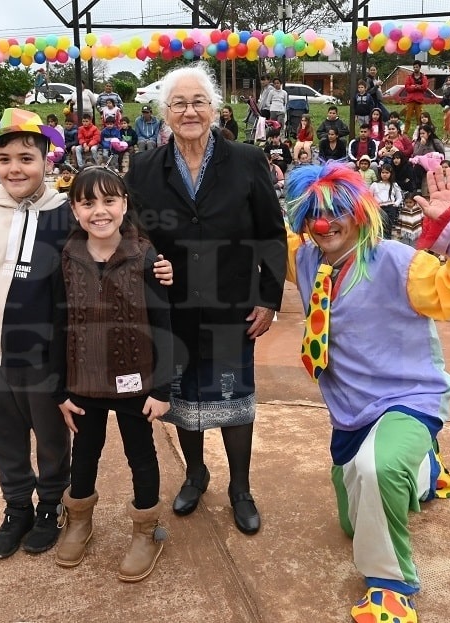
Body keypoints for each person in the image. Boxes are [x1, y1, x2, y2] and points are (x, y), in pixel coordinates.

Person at [0, 107, 172, 559]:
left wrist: (159, 267)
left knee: (55, 443)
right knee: (3, 439)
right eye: (5, 159)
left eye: (26, 158)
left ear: (46, 159)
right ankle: (16, 508)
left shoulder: (66, 213)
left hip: (47, 356)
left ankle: (52, 508)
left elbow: (115, 240)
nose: (15, 168)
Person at [283, 163, 450, 623]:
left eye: (336, 211)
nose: (324, 224)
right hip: (350, 412)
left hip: (410, 397)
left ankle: (391, 586)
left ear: (359, 212)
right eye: (314, 213)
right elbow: (264, 232)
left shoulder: (395, 260)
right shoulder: (306, 259)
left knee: (376, 469)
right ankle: (425, 467)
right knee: (353, 524)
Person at [124, 64, 286, 535]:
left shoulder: (247, 160)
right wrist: (150, 267)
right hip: (170, 307)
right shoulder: (145, 167)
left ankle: (241, 488)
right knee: (181, 397)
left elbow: (271, 234)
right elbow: (133, 236)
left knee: (234, 399)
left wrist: (268, 298)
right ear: (164, 113)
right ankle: (195, 475)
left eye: (198, 102)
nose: (190, 111)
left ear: (214, 109)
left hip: (232, 304)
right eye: (179, 103)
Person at [54, 166, 173, 581]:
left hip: (136, 382)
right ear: (74, 209)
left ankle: (146, 531)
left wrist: (162, 388)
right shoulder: (66, 258)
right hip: (83, 381)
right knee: (85, 454)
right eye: (88, 203)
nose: (99, 211)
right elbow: (56, 325)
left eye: (109, 200)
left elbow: (163, 325)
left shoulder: (146, 257)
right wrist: (59, 389)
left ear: (124, 205)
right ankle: (79, 521)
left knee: (140, 454)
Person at [370, 164, 403, 239]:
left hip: (391, 208)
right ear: (380, 173)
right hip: (379, 208)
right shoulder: (375, 184)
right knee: (379, 227)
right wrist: (374, 206)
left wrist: (395, 204)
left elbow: (399, 197)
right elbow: (369, 197)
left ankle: (387, 242)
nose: (384, 174)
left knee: (388, 228)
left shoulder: (394, 184)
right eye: (383, 172)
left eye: (387, 173)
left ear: (391, 174)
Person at [403, 60, 429, 132]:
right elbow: (407, 88)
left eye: (417, 67)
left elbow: (425, 87)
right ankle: (405, 132)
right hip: (410, 100)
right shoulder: (409, 77)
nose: (415, 68)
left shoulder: (424, 77)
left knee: (419, 118)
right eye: (414, 67)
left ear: (420, 67)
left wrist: (415, 86)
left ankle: (420, 131)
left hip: (419, 100)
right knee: (408, 118)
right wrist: (416, 87)